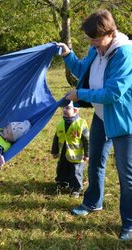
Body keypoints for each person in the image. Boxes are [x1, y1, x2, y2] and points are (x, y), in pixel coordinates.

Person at [58, 9, 132, 241]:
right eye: (90, 39)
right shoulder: (96, 48)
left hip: (124, 121)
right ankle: (93, 202)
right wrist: (68, 54)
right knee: (95, 163)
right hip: (102, 116)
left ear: (110, 33)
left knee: (126, 175)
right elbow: (82, 71)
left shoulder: (125, 54)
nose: (91, 44)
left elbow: (113, 93)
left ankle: (129, 224)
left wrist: (79, 94)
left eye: (95, 39)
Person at [51, 101, 89, 198]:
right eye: (64, 107)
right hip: (63, 153)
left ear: (75, 110)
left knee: (76, 172)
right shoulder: (61, 123)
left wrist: (87, 154)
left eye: (68, 108)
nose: (64, 110)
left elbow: (87, 140)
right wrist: (54, 151)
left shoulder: (81, 124)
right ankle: (62, 183)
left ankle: (75, 189)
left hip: (76, 156)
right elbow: (56, 138)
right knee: (61, 169)